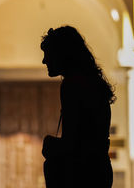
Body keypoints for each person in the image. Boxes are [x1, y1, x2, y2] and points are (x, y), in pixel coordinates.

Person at [41, 26, 114, 187]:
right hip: (99, 171)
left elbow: (71, 144)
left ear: (62, 54)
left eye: (48, 54)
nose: (44, 60)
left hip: (81, 174)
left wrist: (48, 144)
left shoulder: (72, 85)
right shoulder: (92, 82)